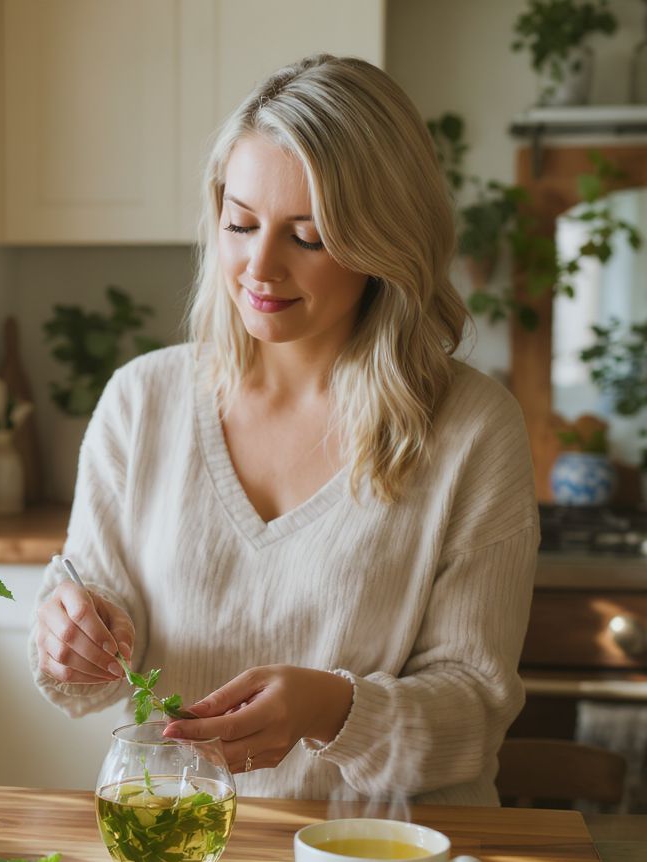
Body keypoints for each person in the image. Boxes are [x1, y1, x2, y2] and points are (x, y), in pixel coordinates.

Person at [29, 54, 539, 806]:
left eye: (308, 237)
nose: (258, 267)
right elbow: (91, 622)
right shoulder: (141, 400)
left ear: (385, 245)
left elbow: (476, 714)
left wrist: (335, 710)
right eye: (240, 224)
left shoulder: (472, 429)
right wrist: (71, 637)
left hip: (383, 858)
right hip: (181, 842)